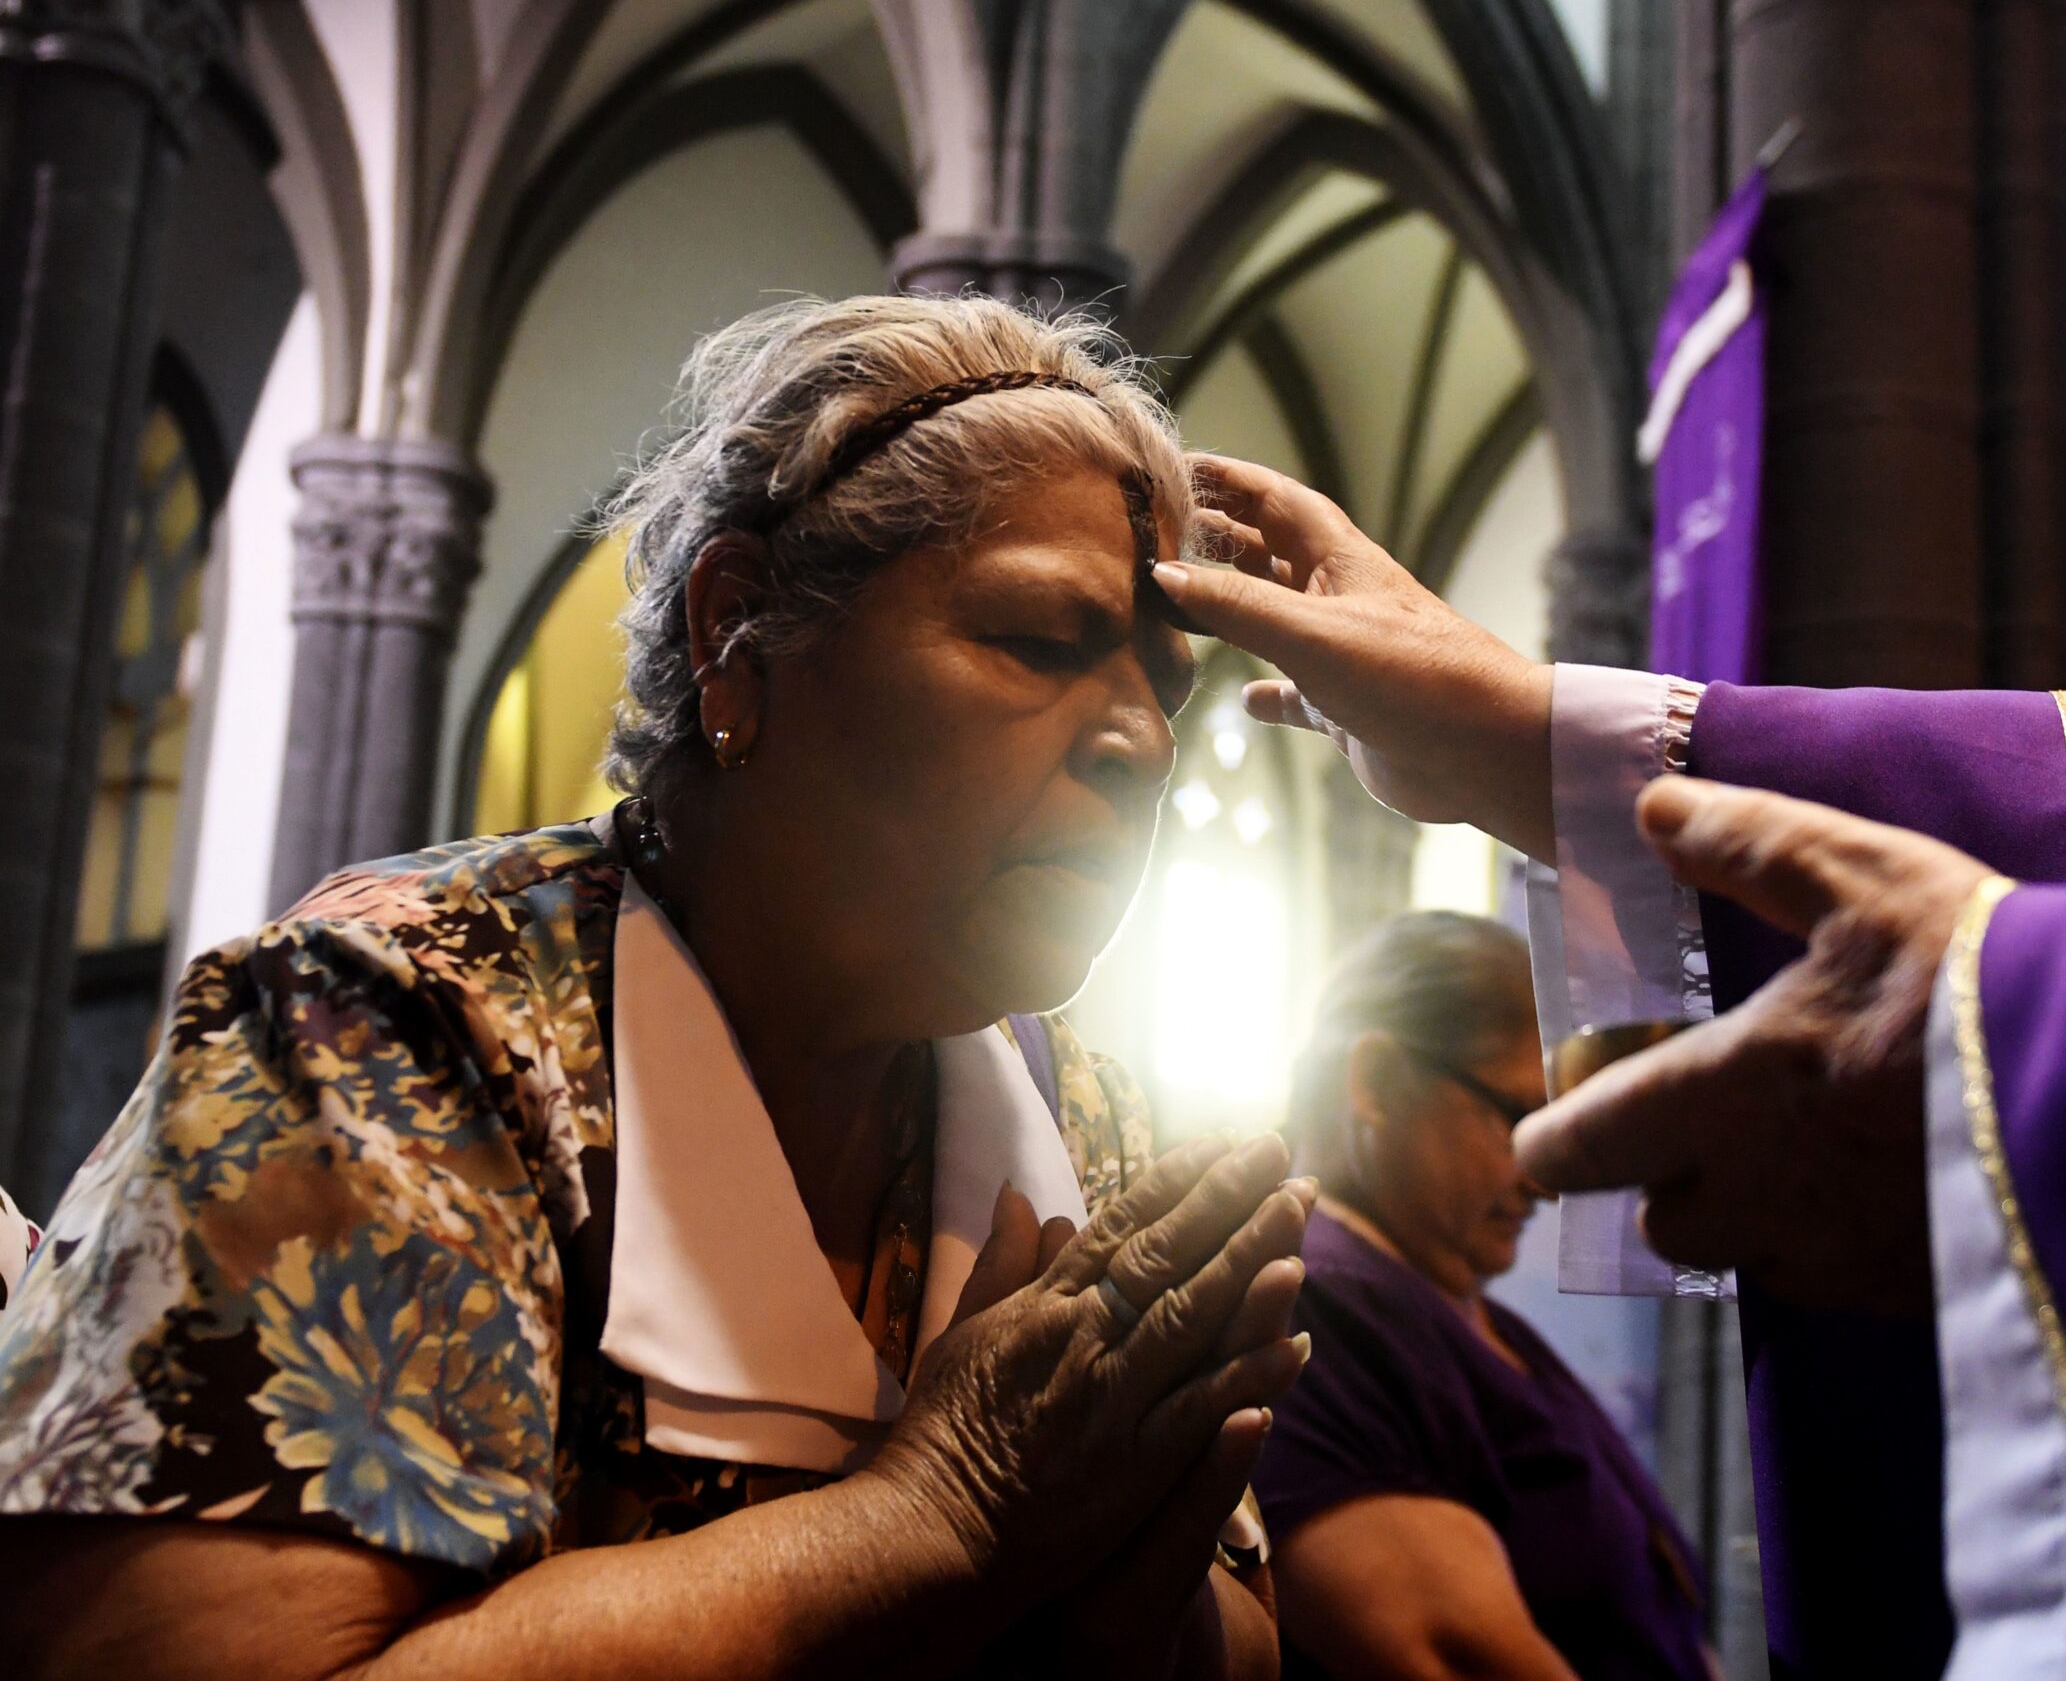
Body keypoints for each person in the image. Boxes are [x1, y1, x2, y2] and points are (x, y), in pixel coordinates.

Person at [0, 297, 1318, 1681]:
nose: (1140, 741)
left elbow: (1239, 1641)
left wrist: (1125, 1602)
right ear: (736, 631)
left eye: (1166, 683)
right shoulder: (383, 1028)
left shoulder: (1094, 1130)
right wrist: (938, 1509)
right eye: (1040, 640)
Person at [1147, 451, 2066, 1681]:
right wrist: (1538, 732)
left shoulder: (1481, 1336)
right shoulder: (1340, 1298)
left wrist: (2015, 1058)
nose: (1536, 1150)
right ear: (1377, 1084)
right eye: (1032, 639)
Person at [1255, 912, 1715, 1681]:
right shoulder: (1311, 1307)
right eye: (1518, 1119)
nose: (1544, 1178)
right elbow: (1455, 1656)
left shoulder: (1476, 1318)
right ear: (1377, 1083)